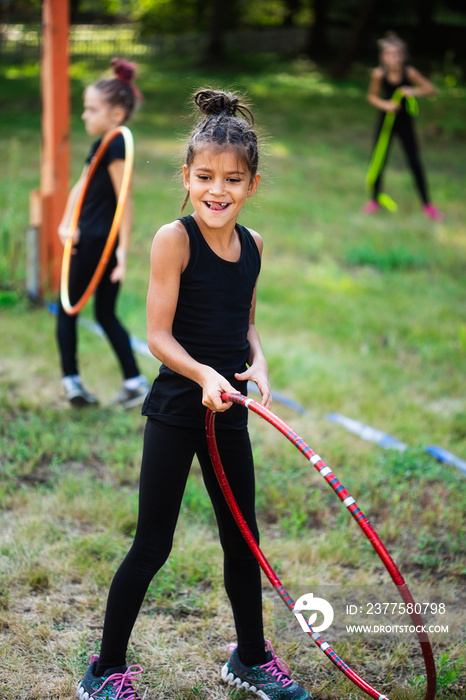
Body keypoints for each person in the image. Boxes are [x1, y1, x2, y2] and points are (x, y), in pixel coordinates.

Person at [76, 89, 311, 700]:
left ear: (252, 183)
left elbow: (247, 323)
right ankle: (104, 671)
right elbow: (157, 337)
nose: (218, 189)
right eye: (205, 176)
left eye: (233, 179)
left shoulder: (254, 246)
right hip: (180, 410)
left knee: (244, 540)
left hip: (228, 408)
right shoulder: (172, 239)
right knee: (153, 543)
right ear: (186, 176)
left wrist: (256, 362)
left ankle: (251, 658)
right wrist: (204, 374)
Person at [57, 58, 149, 408]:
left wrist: (123, 249)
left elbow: (124, 199)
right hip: (87, 236)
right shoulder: (102, 144)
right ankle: (133, 381)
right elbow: (80, 188)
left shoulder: (116, 145)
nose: (84, 115)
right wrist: (66, 222)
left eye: (92, 109)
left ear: (116, 114)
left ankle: (72, 381)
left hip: (96, 241)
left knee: (71, 311)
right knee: (104, 314)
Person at [363, 32, 443, 220]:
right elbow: (371, 96)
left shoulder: (410, 73)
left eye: (398, 54)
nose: (395, 58)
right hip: (385, 124)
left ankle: (427, 204)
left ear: (404, 56)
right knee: (378, 161)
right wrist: (386, 105)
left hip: (405, 124)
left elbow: (431, 90)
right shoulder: (379, 74)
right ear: (383, 57)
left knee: (414, 162)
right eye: (390, 54)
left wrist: (412, 90)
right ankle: (374, 200)